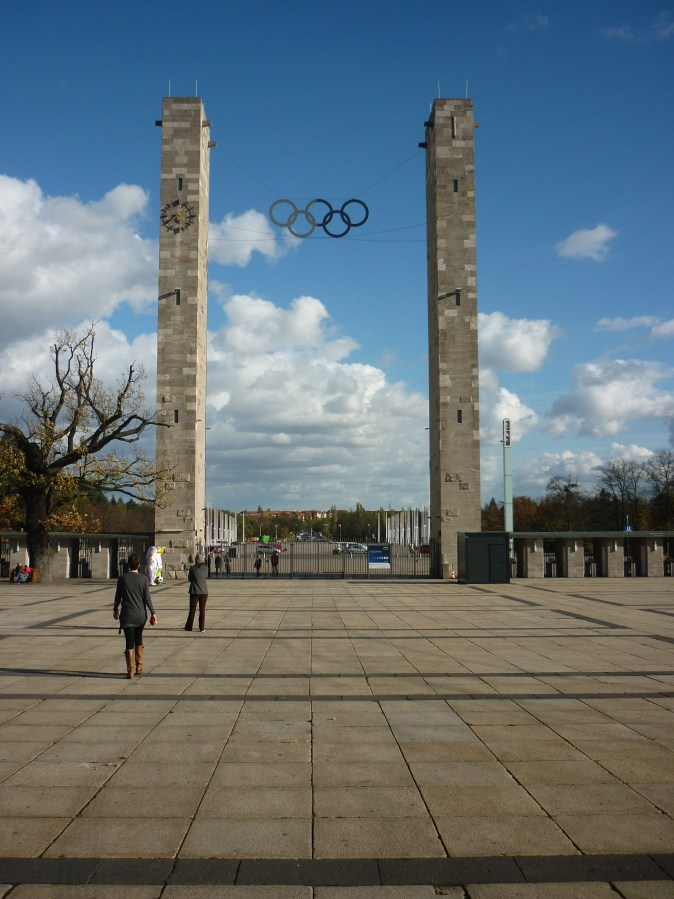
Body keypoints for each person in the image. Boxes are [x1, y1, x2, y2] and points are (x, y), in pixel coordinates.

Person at [113, 552, 157, 678]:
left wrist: (115, 609)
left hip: (127, 616)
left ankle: (130, 671)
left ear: (128, 565)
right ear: (138, 565)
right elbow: (147, 598)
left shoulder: (122, 579)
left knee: (129, 642)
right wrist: (153, 613)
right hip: (140, 616)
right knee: (139, 639)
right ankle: (139, 666)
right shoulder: (143, 579)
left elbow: (118, 596)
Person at [186, 553, 209, 632]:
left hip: (194, 591)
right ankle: (201, 627)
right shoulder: (206, 568)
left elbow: (189, 579)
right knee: (202, 610)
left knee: (192, 609)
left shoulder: (192, 568)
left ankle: (189, 627)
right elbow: (206, 576)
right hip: (204, 591)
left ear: (196, 561)